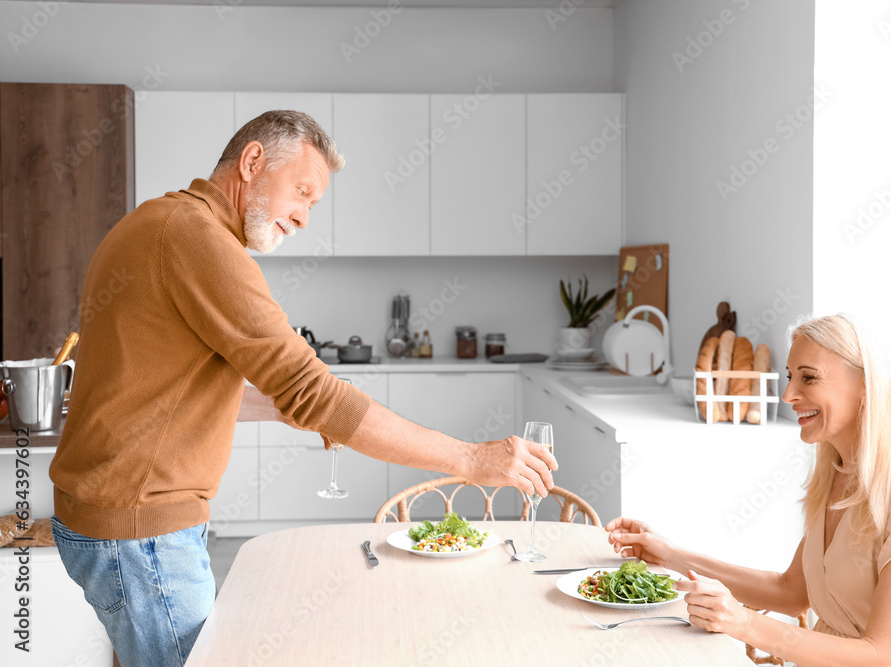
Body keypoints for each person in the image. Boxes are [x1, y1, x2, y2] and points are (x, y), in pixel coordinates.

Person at [48, 110, 557, 667]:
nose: (305, 217)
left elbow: (159, 394)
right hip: (141, 533)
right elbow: (315, 390)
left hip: (116, 520)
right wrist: (471, 458)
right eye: (303, 192)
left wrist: (284, 408)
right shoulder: (198, 239)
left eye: (314, 204)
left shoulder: (160, 223)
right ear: (252, 161)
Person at [606, 313, 891, 666]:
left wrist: (741, 623)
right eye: (789, 377)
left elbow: (880, 655)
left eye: (808, 378)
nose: (788, 395)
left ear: (865, 386)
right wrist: (669, 556)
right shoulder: (836, 476)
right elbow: (790, 591)